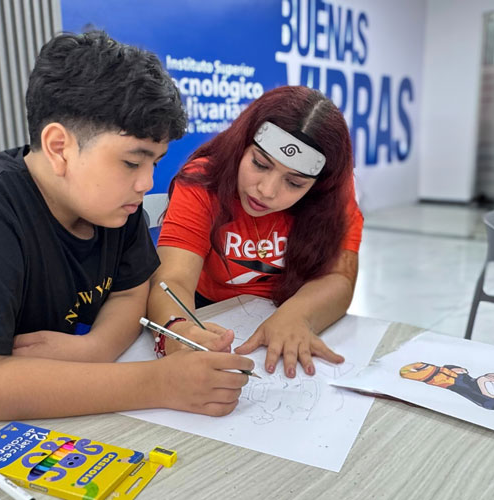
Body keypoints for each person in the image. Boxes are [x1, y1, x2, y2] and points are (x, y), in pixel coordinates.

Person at [0, 31, 253, 420]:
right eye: (133, 162)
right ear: (59, 147)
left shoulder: (116, 207)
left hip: (75, 403)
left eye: (155, 163)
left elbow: (130, 293)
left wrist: (94, 349)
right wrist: (159, 384)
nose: (147, 183)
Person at [148, 86, 363, 378]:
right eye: (260, 164)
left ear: (318, 187)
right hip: (210, 312)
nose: (267, 190)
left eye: (295, 183)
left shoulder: (335, 196)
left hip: (292, 310)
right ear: (241, 146)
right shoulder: (203, 181)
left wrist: (298, 315)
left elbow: (340, 278)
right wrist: (178, 329)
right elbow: (172, 279)